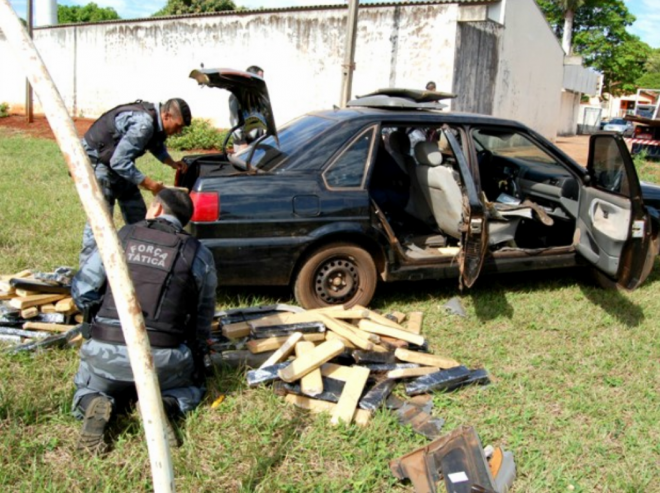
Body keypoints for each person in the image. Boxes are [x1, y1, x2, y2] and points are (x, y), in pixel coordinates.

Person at [71, 188, 217, 454]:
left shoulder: (121, 236)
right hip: (163, 359)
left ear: (157, 209)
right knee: (191, 389)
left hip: (104, 351)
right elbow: (203, 314)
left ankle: (95, 400)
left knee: (86, 385)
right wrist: (197, 349)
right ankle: (166, 405)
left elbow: (83, 288)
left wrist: (97, 318)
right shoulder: (199, 253)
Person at [79, 98, 192, 265]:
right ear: (167, 115)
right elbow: (119, 162)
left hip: (114, 163)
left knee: (138, 214)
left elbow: (155, 144)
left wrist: (171, 162)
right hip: (98, 164)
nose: (178, 131)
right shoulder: (144, 124)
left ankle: (142, 263)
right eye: (178, 126)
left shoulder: (155, 120)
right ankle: (87, 272)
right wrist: (152, 185)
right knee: (101, 219)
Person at [228, 65, 264, 151]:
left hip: (257, 140)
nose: (261, 81)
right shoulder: (236, 96)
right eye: (259, 78)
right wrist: (242, 142)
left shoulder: (257, 95)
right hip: (244, 143)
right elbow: (235, 121)